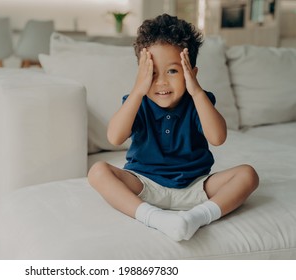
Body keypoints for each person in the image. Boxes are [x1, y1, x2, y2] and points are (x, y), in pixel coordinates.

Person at [87, 13, 259, 241]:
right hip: (144, 184)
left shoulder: (199, 100)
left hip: (196, 186)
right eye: (152, 73)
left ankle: (196, 217)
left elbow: (218, 138)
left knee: (248, 174)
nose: (161, 82)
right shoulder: (137, 102)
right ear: (140, 74)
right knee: (98, 171)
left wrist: (196, 91)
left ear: (191, 73)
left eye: (173, 71)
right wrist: (138, 90)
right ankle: (155, 218)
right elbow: (115, 137)